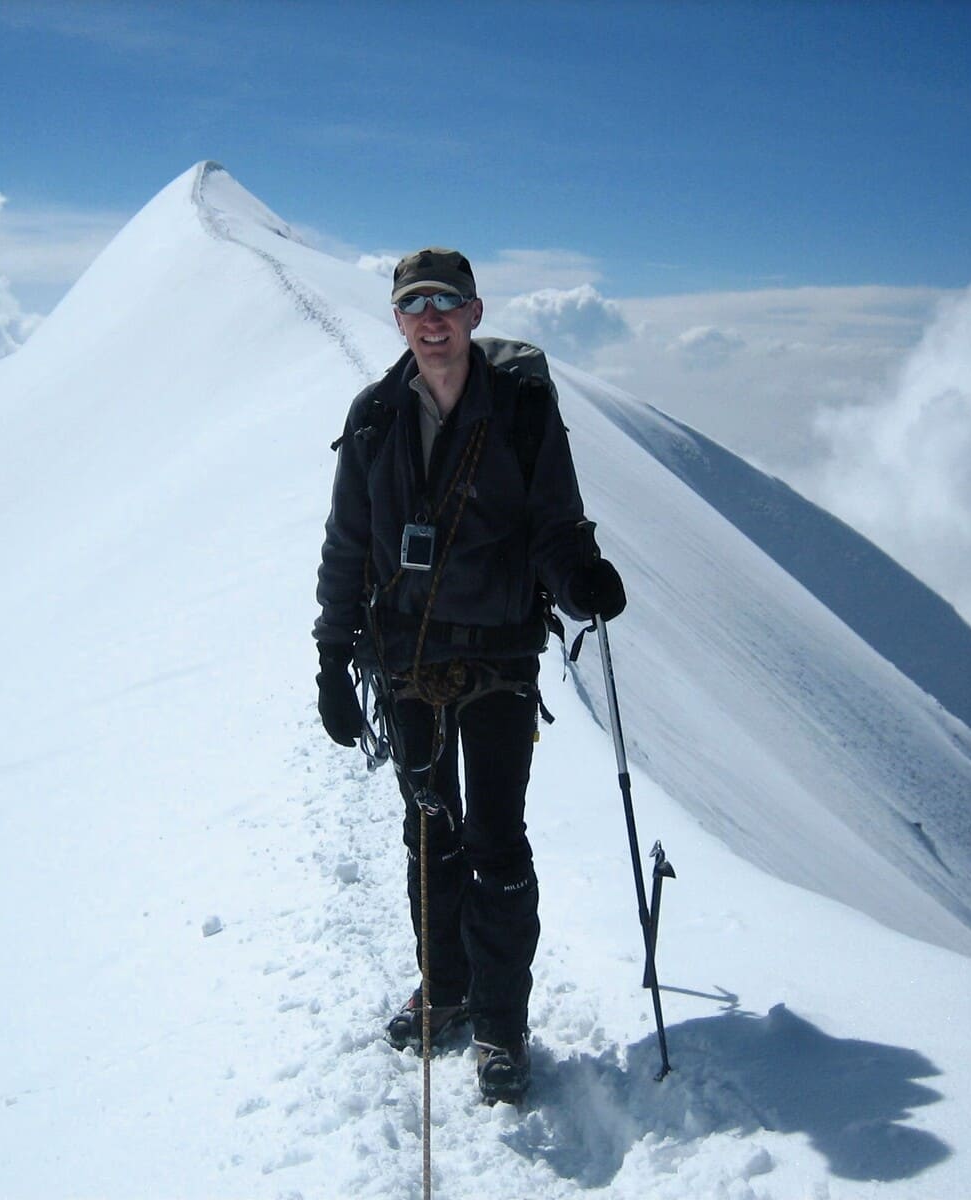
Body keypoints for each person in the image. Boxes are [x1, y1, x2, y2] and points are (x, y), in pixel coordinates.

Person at [313, 247, 626, 1104]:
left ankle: (500, 1025)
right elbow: (347, 547)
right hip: (404, 661)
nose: (432, 318)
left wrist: (579, 580)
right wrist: (332, 660)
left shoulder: (522, 410)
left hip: (495, 658)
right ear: (398, 320)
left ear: (476, 313)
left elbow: (555, 525)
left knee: (494, 840)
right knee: (429, 835)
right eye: (414, 304)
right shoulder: (375, 417)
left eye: (446, 302)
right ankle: (445, 990)